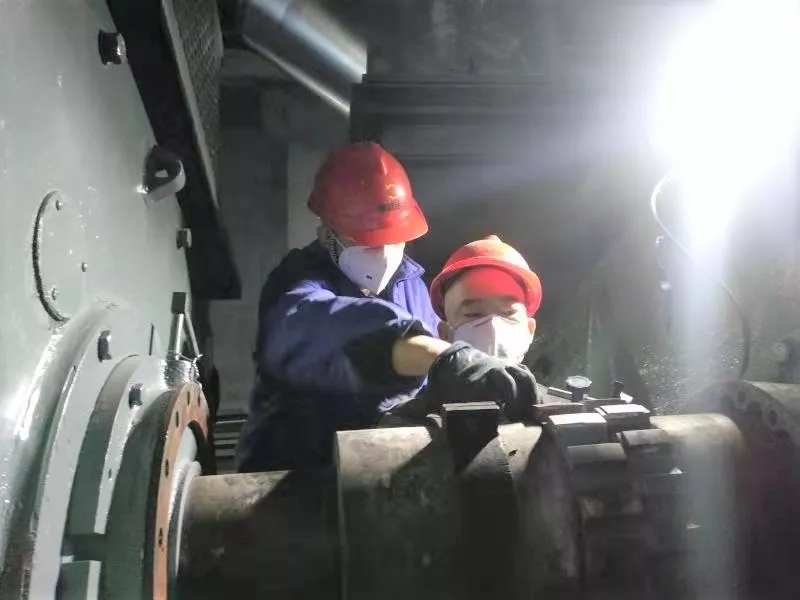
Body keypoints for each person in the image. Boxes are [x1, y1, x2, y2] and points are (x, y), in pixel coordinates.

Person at [236, 144, 538, 472]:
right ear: (327, 233)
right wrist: (443, 358)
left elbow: (427, 387)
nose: (382, 252)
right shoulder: (297, 284)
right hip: (294, 472)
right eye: (365, 241)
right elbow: (320, 330)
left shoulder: (413, 288)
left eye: (393, 239)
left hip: (377, 468)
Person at [384, 235, 543, 424]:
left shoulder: (558, 410)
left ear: (530, 330)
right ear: (445, 335)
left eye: (508, 313)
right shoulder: (408, 423)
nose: (492, 327)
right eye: (473, 314)